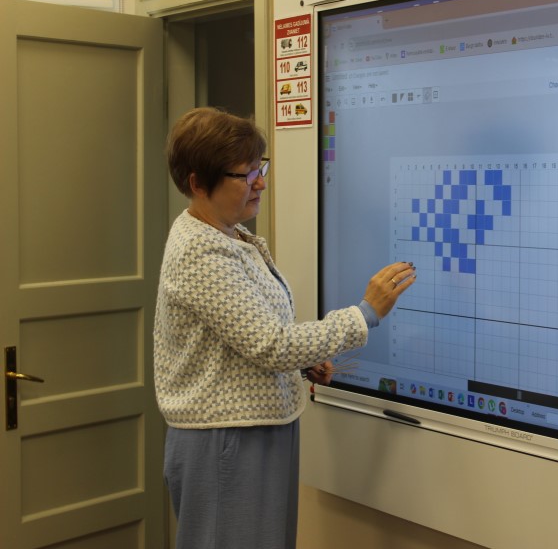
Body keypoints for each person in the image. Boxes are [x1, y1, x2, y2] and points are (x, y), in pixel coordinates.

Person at [153, 107, 415, 549]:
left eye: (261, 168)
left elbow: (245, 336)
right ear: (198, 183)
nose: (260, 183)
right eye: (246, 174)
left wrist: (302, 362)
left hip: (255, 430)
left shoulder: (231, 236)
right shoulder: (200, 251)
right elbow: (271, 343)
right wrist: (366, 313)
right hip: (226, 440)